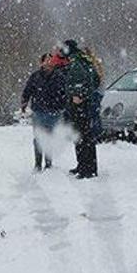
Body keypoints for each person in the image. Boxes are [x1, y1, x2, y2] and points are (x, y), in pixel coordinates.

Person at [58, 40, 102, 179]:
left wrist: (80, 95)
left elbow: (86, 81)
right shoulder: (82, 60)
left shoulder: (77, 62)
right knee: (83, 138)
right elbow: (95, 79)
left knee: (82, 138)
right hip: (84, 106)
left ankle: (86, 169)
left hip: (80, 106)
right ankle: (84, 166)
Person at [21, 53, 68, 171]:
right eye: (46, 60)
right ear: (41, 63)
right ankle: (37, 164)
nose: (48, 63)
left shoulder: (60, 76)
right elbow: (27, 91)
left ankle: (48, 164)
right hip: (39, 112)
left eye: (50, 60)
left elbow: (65, 93)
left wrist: (65, 106)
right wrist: (24, 102)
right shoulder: (35, 76)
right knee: (38, 138)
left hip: (55, 112)